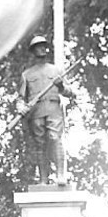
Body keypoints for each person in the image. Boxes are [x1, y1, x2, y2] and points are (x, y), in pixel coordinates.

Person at [17, 35, 71, 185]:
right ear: (33, 50)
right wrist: (21, 107)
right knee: (39, 144)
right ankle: (43, 179)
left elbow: (70, 92)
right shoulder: (27, 75)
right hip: (36, 111)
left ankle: (61, 175)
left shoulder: (56, 70)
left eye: (44, 46)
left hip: (53, 108)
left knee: (55, 139)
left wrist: (60, 86)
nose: (42, 48)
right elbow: (20, 98)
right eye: (38, 46)